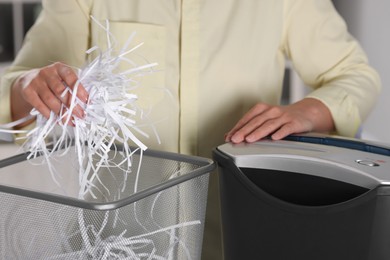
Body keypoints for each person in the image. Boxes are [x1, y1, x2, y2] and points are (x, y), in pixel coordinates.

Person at [0, 0, 381, 259]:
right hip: (116, 239)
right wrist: (29, 87)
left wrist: (309, 111)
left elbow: (354, 75)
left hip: (242, 236)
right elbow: (19, 83)